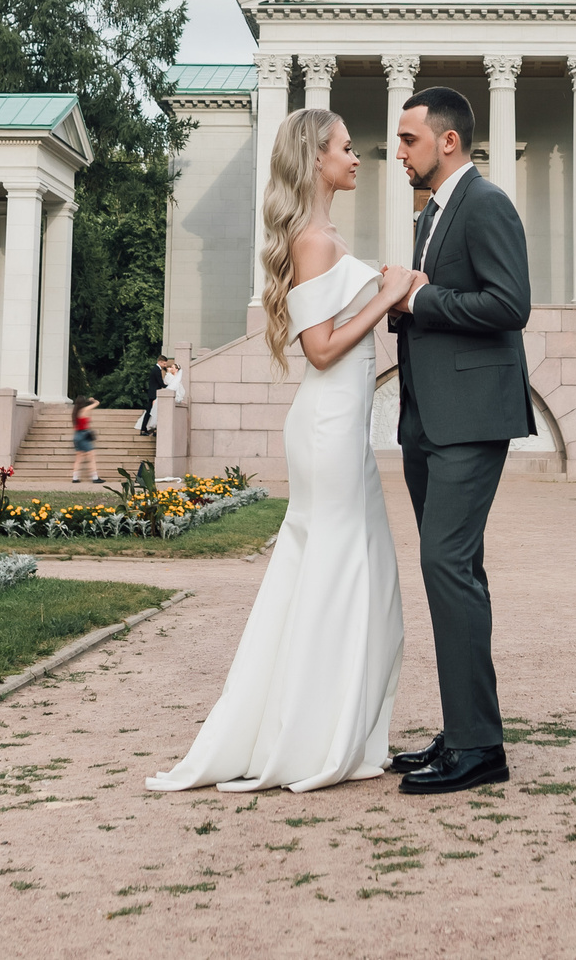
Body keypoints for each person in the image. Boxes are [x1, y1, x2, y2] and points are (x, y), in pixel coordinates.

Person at [147, 109, 411, 794]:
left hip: (339, 426)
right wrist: (386, 295)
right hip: (327, 426)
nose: (356, 156)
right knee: (338, 579)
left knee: (357, 582)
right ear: (316, 158)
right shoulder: (314, 241)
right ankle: (309, 739)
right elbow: (319, 349)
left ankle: (329, 729)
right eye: (345, 147)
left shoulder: (325, 236)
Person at [382, 85, 533, 796]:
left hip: (470, 417)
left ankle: (479, 748)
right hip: (429, 418)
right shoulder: (433, 212)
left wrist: (417, 298)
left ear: (448, 140)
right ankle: (466, 728)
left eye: (408, 139)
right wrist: (395, 301)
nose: (398, 152)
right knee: (454, 569)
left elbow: (509, 303)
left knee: (446, 564)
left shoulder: (486, 202)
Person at [68, 394, 101, 484]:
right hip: (84, 435)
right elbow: (97, 403)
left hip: (76, 435)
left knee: (78, 458)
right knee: (91, 457)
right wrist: (92, 400)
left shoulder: (75, 412)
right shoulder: (85, 410)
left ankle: (75, 477)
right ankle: (95, 477)